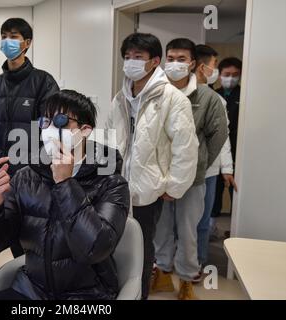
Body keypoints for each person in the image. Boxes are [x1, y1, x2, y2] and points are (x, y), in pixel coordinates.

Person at [0, 90, 130, 300]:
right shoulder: (26, 177)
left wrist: (65, 184)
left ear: (85, 130)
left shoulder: (111, 183)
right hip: (32, 289)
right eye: (45, 122)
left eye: (61, 121)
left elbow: (94, 248)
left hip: (87, 294)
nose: (50, 129)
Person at [105, 32, 199, 300]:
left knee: (142, 253)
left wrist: (175, 186)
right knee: (115, 247)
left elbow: (185, 147)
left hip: (149, 189)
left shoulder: (172, 98)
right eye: (127, 57)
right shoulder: (120, 97)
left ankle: (140, 295)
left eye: (138, 57)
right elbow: (111, 138)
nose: (131, 62)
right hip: (118, 187)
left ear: (154, 61)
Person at [152, 38, 228, 299]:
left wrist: (199, 163)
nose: (175, 63)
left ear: (193, 63)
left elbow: (218, 136)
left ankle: (186, 278)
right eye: (170, 58)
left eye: (181, 59)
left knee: (187, 230)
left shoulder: (208, 98)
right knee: (161, 228)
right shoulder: (156, 91)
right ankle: (161, 273)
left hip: (193, 178)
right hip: (158, 176)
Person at [0, 18, 59, 257]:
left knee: (34, 240)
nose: (7, 41)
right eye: (4, 36)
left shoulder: (43, 82)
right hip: (3, 176)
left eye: (14, 37)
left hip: (33, 177)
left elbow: (52, 132)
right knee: (12, 237)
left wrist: (43, 171)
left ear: (27, 43)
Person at [194, 45, 237, 270]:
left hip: (208, 173)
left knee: (202, 221)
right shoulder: (174, 95)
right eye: (214, 66)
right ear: (202, 67)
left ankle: (199, 262)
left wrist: (227, 169)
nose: (215, 71)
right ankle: (167, 265)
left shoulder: (217, 101)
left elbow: (223, 139)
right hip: (178, 171)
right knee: (172, 223)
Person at [211, 57, 242, 228]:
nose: (231, 78)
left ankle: (235, 227)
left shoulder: (244, 95)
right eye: (227, 74)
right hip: (216, 151)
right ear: (220, 75)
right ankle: (211, 227)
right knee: (214, 193)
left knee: (235, 191)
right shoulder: (214, 95)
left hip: (238, 150)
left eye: (235, 75)